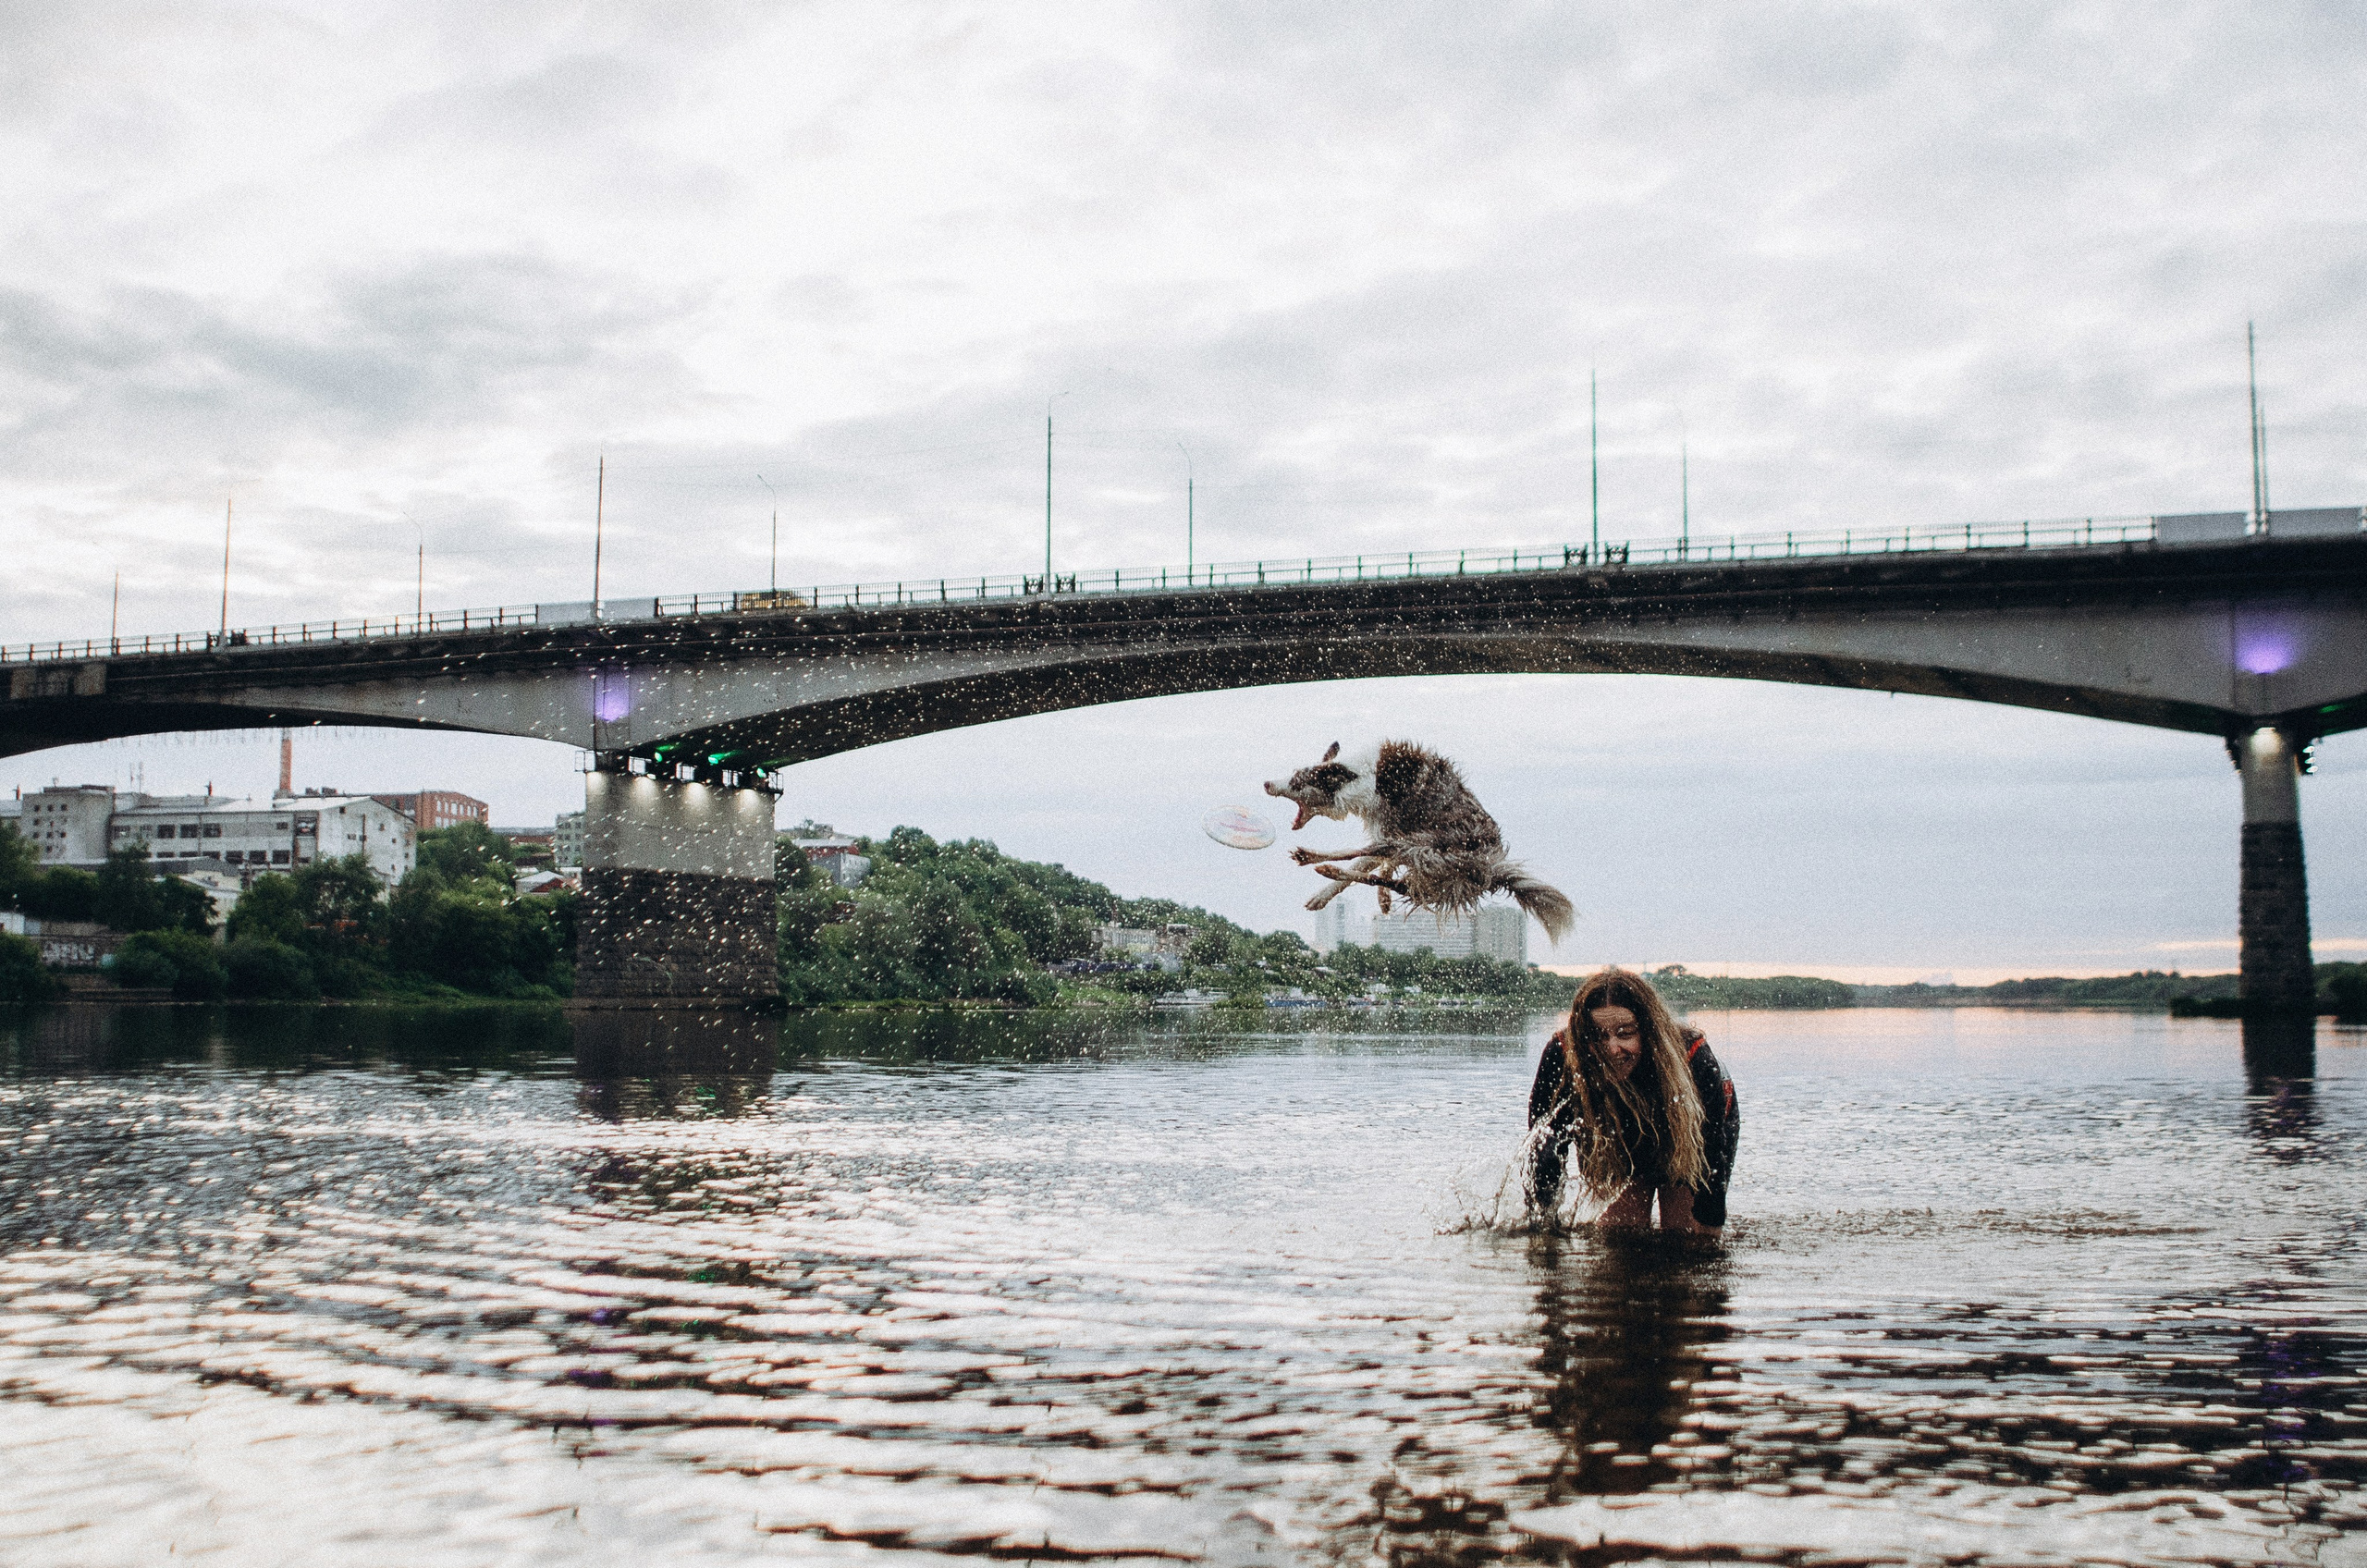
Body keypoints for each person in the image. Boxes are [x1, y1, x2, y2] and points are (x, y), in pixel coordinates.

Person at [1527, 967, 1740, 1231]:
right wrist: (1545, 1233)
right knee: (1620, 1236)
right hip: (1617, 1120)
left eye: (1625, 1033)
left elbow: (1710, 1179)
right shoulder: (1562, 1053)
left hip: (1690, 1126)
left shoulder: (1694, 1057)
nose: (1611, 1049)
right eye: (1598, 1036)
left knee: (1688, 1239)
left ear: (1647, 1031)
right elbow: (1544, 1146)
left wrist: (1709, 1219)